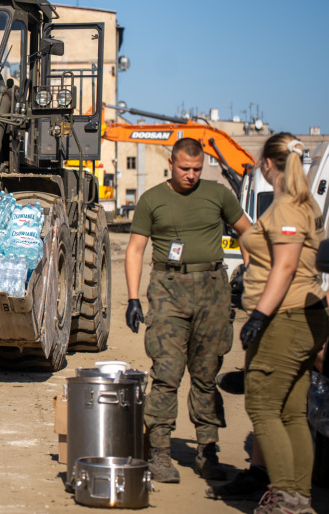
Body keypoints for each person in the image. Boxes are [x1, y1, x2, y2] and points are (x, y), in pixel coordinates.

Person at [125, 137, 252, 483]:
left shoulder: (219, 194)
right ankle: (160, 452)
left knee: (206, 375)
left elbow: (248, 233)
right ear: (171, 163)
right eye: (185, 168)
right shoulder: (152, 199)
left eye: (197, 169)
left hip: (212, 291)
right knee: (166, 374)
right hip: (168, 290)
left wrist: (252, 276)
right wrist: (133, 298)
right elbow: (135, 249)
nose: (191, 175)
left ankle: (207, 452)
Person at [237, 134, 328, 514]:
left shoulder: (288, 208)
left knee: (263, 407)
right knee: (291, 412)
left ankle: (288, 501)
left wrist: (259, 315)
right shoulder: (305, 204)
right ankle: (298, 498)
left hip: (285, 318)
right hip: (298, 318)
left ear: (266, 164)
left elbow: (287, 266)